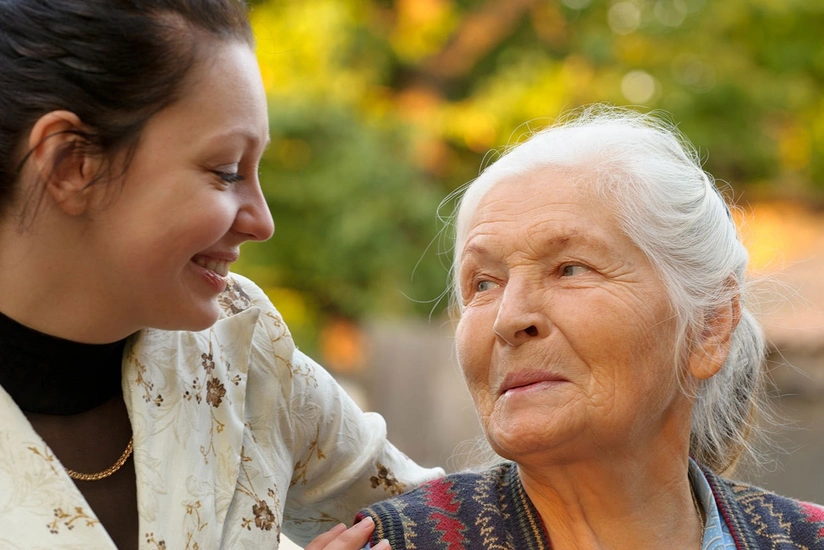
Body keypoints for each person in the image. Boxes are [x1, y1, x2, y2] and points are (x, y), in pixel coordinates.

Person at [0, 1, 442, 549]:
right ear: (70, 163)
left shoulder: (242, 347)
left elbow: (444, 520)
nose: (262, 222)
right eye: (226, 171)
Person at [357, 108, 824, 549]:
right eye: (483, 283)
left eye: (570, 269)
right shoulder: (397, 541)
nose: (509, 319)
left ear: (709, 325)